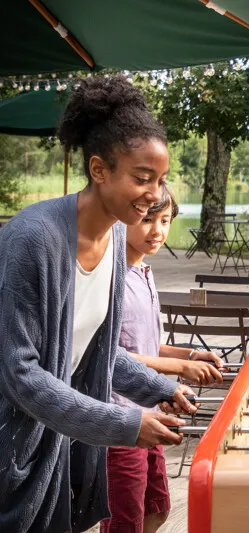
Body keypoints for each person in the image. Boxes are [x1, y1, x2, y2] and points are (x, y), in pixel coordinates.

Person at [0, 76, 196, 533]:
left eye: (161, 180)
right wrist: (126, 422)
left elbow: (98, 355)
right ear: (99, 170)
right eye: (142, 178)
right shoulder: (34, 239)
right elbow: (21, 373)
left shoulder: (115, 242)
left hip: (54, 440)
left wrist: (162, 389)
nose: (154, 193)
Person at [102, 188, 223, 533]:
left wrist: (190, 354)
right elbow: (110, 354)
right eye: (146, 219)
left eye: (165, 220)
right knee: (125, 521)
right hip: (120, 421)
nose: (157, 230)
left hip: (153, 415)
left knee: (158, 508)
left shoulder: (144, 271)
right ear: (122, 219)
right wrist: (182, 369)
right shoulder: (110, 278)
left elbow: (149, 344)